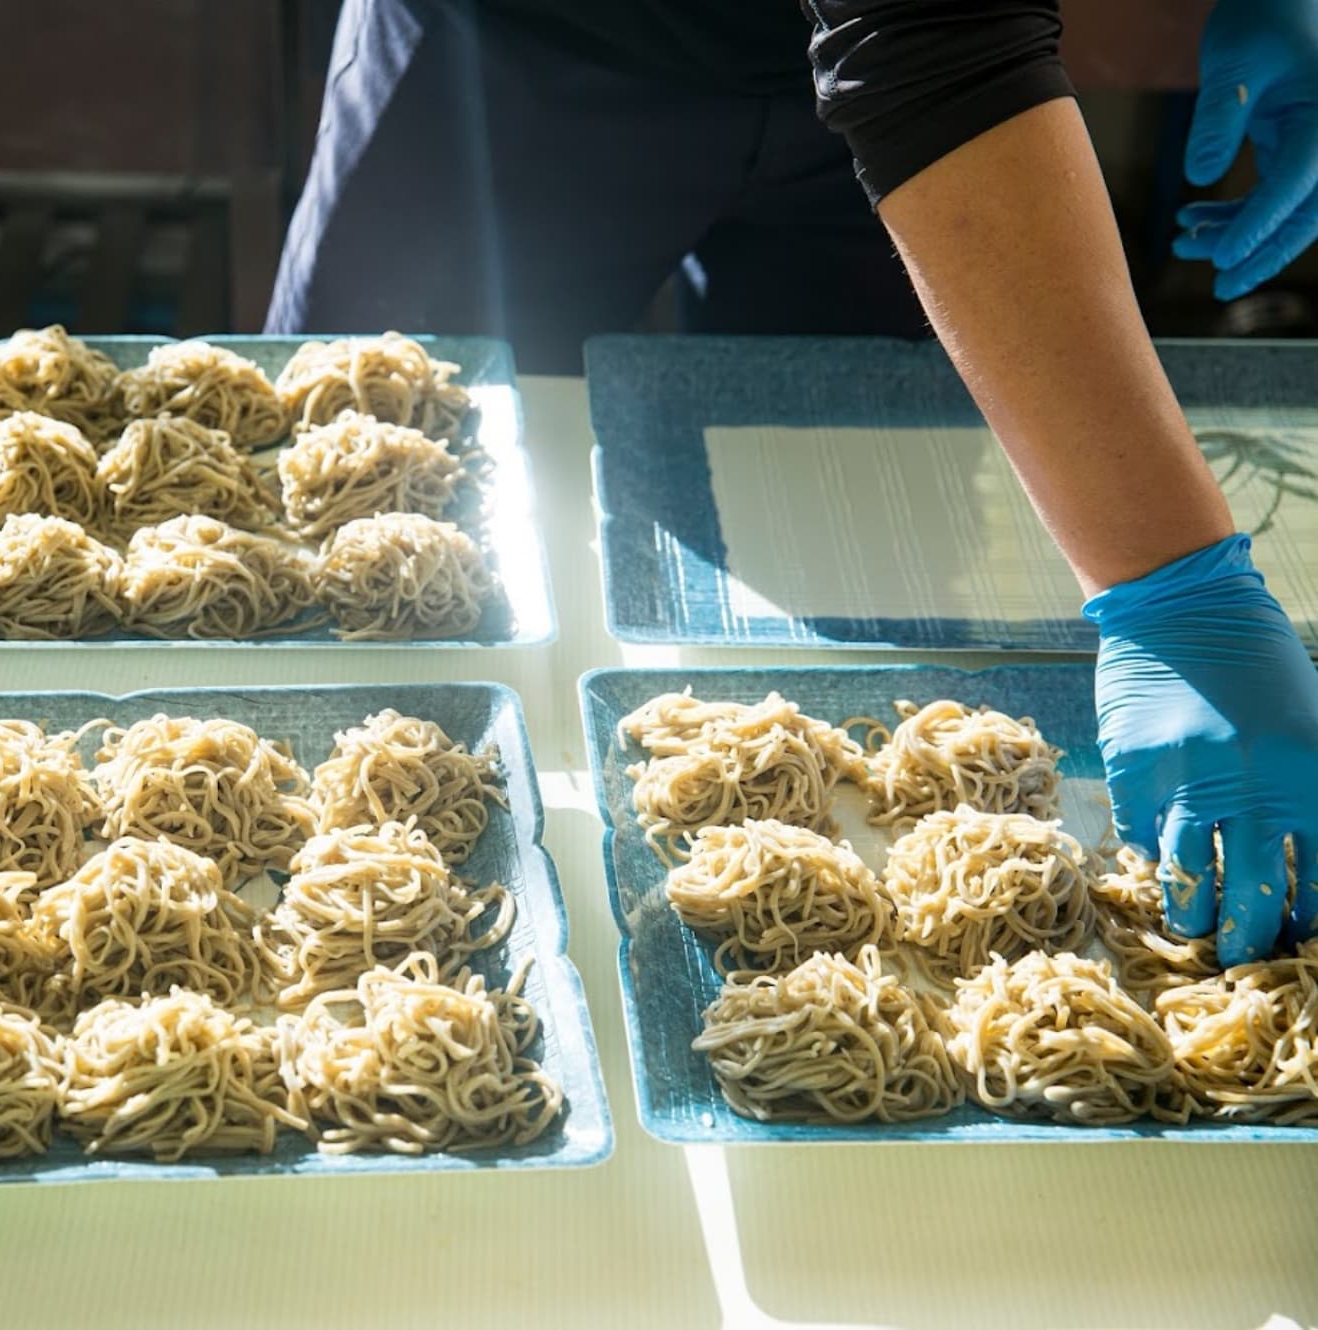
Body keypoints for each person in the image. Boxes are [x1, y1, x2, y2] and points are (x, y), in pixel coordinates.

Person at [268, 0, 1318, 965]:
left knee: (864, 581)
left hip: (911, 69)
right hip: (530, 43)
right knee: (365, 535)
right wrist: (1172, 585)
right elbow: (933, 52)